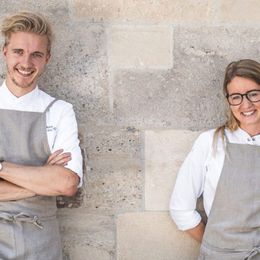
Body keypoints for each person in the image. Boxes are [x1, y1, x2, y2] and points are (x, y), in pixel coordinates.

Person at [0, 11, 83, 259]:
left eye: (36, 54)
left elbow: (67, 183)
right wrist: (42, 178)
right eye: (18, 52)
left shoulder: (60, 111)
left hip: (40, 241)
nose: (26, 63)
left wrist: (1, 168)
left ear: (47, 58)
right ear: (5, 52)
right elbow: (54, 182)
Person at [170, 59, 260, 259]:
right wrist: (217, 247)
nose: (246, 104)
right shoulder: (210, 142)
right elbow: (181, 208)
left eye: (254, 94)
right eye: (236, 97)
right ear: (228, 100)